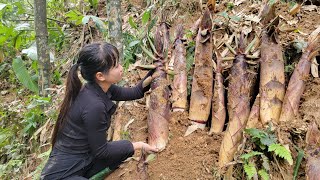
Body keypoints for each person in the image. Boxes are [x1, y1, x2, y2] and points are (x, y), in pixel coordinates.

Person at [41, 42, 158, 179]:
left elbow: (135, 92)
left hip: (84, 161)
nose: (121, 68)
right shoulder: (94, 105)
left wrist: (155, 72)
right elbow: (101, 151)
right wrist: (138, 145)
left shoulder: (101, 88)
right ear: (100, 76)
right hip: (63, 175)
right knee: (127, 148)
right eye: (116, 66)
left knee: (124, 151)